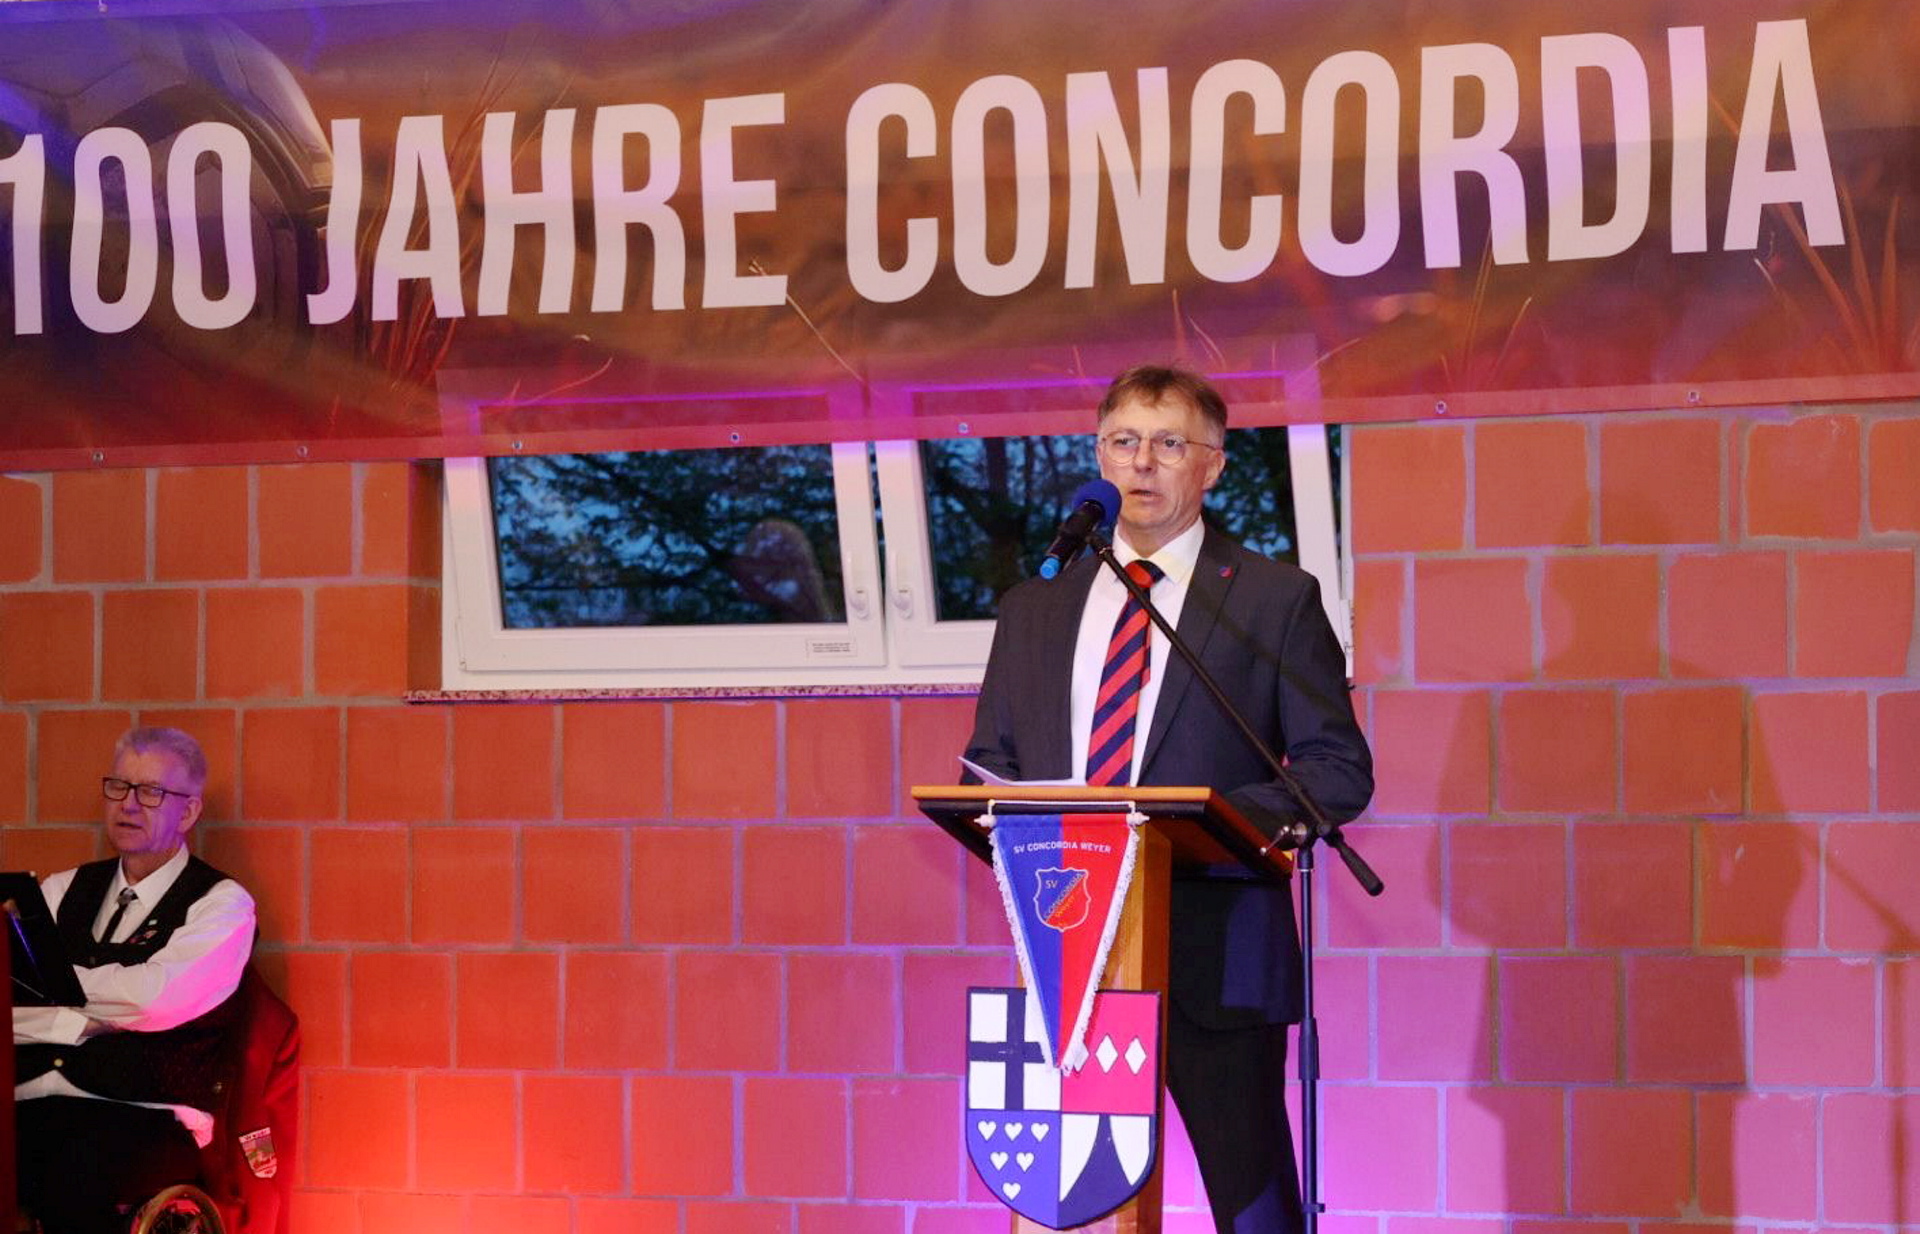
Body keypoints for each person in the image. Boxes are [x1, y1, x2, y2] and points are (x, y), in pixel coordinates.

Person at [963, 365, 1373, 1234]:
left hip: (1219, 959)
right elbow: (989, 766)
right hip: (1066, 957)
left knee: (1255, 1209)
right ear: (1098, 457)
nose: (1141, 463)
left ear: (1212, 465)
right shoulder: (1034, 608)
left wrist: (1203, 825)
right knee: (1065, 1206)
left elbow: (1336, 768)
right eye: (1123, 442)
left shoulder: (1272, 599)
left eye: (1168, 444)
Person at [13, 726, 256, 1234]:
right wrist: (81, 1023)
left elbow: (155, 998)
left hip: (143, 1116)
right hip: (27, 1100)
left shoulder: (222, 904)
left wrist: (55, 991)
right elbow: (9, 996)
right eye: (119, 786)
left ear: (187, 812)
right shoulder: (61, 889)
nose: (128, 804)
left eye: (150, 792)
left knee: (69, 1171)